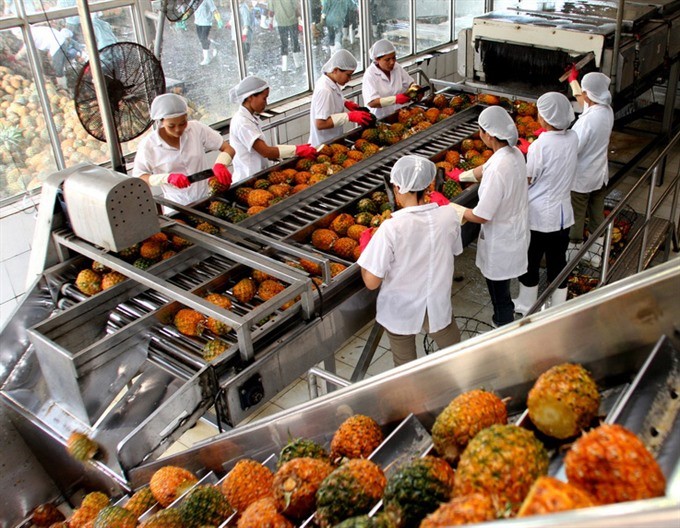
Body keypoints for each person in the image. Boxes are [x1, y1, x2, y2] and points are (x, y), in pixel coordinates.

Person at [357, 155, 465, 367]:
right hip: (436, 303)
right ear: (429, 186)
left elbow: (371, 282)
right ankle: (462, 387)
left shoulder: (391, 228)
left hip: (401, 307)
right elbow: (455, 249)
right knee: (457, 355)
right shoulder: (449, 215)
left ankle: (413, 397)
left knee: (405, 367)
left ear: (397, 188)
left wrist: (367, 252)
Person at [450, 106, 529, 327]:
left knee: (499, 291)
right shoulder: (513, 154)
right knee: (501, 285)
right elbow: (484, 169)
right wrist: (459, 176)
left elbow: (481, 215)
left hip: (501, 239)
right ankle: (504, 318)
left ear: (490, 135)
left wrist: (453, 209)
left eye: (481, 131)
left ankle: (503, 326)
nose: (480, 135)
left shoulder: (498, 168)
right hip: (513, 231)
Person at [513, 92, 578, 315]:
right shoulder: (573, 138)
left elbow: (529, 177)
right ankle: (557, 306)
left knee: (530, 260)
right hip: (563, 214)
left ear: (545, 118)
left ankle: (526, 303)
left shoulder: (540, 146)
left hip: (538, 216)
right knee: (557, 260)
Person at [132, 93, 234, 208]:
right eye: (171, 126)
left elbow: (228, 148)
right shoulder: (149, 145)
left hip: (207, 199)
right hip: (177, 206)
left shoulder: (196, 129)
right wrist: (167, 178)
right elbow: (140, 178)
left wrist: (221, 164)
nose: (178, 129)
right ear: (161, 122)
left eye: (182, 123)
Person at [566, 69, 615, 268]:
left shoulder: (586, 122)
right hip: (599, 175)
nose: (582, 95)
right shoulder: (606, 110)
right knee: (596, 213)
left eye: (584, 92)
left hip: (582, 178)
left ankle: (572, 256)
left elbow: (573, 149)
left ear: (590, 95)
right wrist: (573, 82)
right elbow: (583, 101)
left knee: (576, 216)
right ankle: (595, 255)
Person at [228, 76, 317, 183]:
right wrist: (296, 150)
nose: (266, 103)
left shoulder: (250, 118)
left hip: (258, 176)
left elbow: (263, 151)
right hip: (248, 179)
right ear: (250, 97)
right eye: (264, 98)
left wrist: (281, 155)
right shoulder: (242, 122)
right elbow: (265, 151)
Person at [308, 49, 372, 147]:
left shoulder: (332, 82)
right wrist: (349, 116)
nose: (349, 79)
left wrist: (345, 102)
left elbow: (331, 101)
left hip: (333, 141)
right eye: (348, 75)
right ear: (335, 70)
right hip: (323, 145)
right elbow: (320, 124)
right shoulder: (325, 90)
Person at [362, 39, 417, 120]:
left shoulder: (396, 67)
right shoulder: (370, 75)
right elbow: (372, 102)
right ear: (377, 59)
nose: (392, 62)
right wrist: (395, 99)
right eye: (387, 60)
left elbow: (410, 83)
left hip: (399, 115)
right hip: (380, 119)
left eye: (394, 58)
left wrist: (415, 88)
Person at [13, 27, 83, 89]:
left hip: (57, 45)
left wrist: (16, 57)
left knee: (58, 70)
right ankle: (62, 81)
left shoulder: (29, 35)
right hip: (58, 43)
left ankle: (63, 87)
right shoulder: (33, 30)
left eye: (17, 36)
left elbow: (26, 48)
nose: (18, 37)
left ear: (19, 33)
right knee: (59, 63)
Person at [268, 0, 301, 72]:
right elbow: (296, 8)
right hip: (293, 21)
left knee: (284, 43)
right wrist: (300, 20)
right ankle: (297, 64)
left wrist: (270, 22)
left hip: (281, 22)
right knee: (295, 41)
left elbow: (271, 11)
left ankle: (284, 66)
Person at [194, 0, 223, 66]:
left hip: (206, 23)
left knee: (203, 40)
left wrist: (219, 20)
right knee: (201, 40)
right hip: (197, 22)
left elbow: (214, 10)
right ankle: (214, 46)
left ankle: (206, 58)